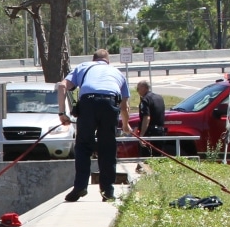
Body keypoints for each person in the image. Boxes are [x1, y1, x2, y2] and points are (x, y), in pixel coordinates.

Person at [59, 48, 131, 201]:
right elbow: (124, 107)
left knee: (83, 146)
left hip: (88, 104)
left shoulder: (83, 67)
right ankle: (107, 191)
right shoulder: (118, 73)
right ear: (108, 61)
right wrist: (125, 125)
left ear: (93, 60)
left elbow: (62, 86)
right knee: (108, 148)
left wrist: (62, 113)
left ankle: (80, 187)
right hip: (110, 104)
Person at [134, 80, 165, 153]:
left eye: (138, 89)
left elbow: (146, 117)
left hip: (150, 132)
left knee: (146, 159)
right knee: (158, 157)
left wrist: (142, 135)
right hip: (160, 131)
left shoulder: (145, 100)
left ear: (144, 88)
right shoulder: (159, 98)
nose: (137, 91)